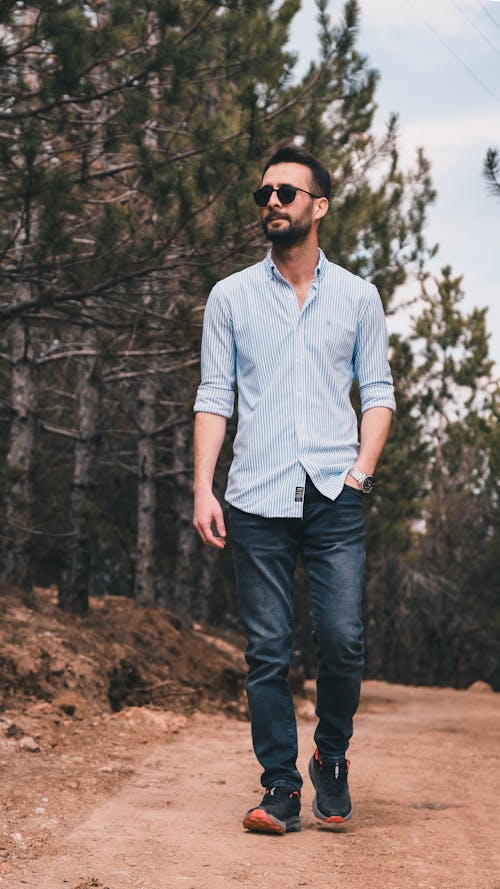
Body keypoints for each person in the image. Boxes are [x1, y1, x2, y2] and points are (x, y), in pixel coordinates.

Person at [193, 139, 395, 834]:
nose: (271, 203)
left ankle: (329, 756)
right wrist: (203, 486)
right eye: (264, 194)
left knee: (342, 640)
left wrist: (361, 469)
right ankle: (279, 784)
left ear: (319, 206)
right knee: (268, 650)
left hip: (335, 494)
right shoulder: (231, 297)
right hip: (255, 494)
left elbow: (381, 393)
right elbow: (213, 397)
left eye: (285, 192)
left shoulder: (359, 297)